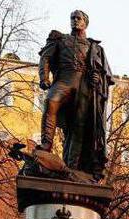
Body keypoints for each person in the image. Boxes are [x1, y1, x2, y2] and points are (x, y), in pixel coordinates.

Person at [38, 10, 114, 179]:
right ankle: (45, 145)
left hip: (84, 85)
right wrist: (44, 78)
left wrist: (98, 78)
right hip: (64, 79)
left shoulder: (94, 47)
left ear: (85, 23)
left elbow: (104, 74)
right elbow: (46, 58)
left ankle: (71, 166)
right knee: (50, 102)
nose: (75, 21)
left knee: (78, 127)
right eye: (73, 18)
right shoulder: (60, 39)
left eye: (79, 18)